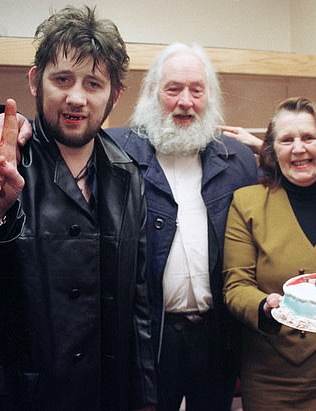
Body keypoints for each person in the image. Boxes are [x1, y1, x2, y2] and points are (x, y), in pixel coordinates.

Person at [0, 6, 156, 411]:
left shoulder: (128, 176)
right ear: (36, 81)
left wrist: (144, 398)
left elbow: (137, 303)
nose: (76, 97)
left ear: (114, 96)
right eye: (62, 79)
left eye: (94, 83)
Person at [110, 42, 259, 411]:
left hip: (216, 337)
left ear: (210, 97)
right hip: (147, 339)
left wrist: (270, 147)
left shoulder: (238, 159)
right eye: (173, 89)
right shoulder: (113, 152)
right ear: (151, 94)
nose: (185, 101)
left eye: (197, 90)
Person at [223, 97, 316, 410]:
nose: (298, 148)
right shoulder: (247, 203)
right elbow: (235, 286)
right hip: (271, 375)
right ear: (271, 150)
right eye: (286, 140)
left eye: (308, 137)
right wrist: (264, 306)